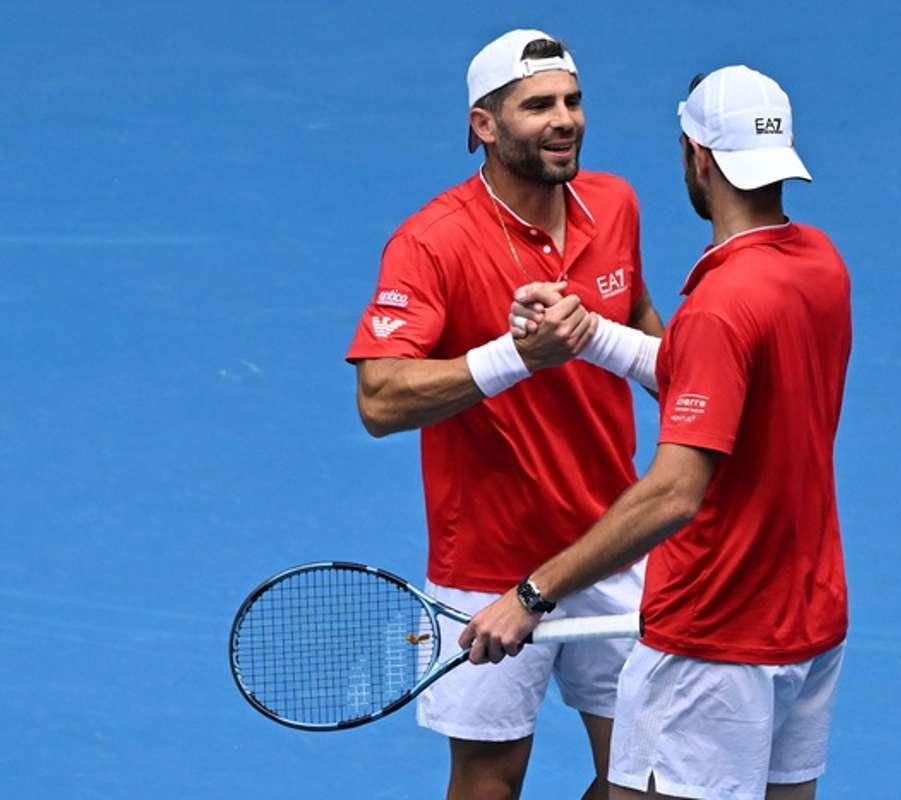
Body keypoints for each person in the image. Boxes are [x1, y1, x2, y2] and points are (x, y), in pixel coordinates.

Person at [463, 65, 853, 800]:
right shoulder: (820, 266)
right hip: (807, 621)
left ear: (696, 158)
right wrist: (592, 335)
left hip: (714, 635)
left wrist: (532, 593)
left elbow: (675, 493)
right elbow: (717, 375)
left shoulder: (719, 306)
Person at [344, 29, 665, 800]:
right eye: (538, 106)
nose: (565, 120)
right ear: (485, 126)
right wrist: (518, 356)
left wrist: (697, 387)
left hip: (610, 541)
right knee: (490, 780)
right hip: (488, 562)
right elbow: (380, 400)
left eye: (573, 101)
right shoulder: (432, 242)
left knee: (655, 780)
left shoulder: (615, 203)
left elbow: (642, 314)